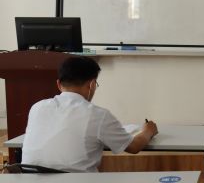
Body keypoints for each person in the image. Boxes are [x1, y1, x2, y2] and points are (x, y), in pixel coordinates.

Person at [21, 55, 158, 172]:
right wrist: (148, 131)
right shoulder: (98, 115)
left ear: (58, 84)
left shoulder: (37, 107)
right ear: (92, 84)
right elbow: (133, 147)